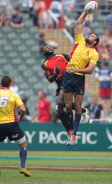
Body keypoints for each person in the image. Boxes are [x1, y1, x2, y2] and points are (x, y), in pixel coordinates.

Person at [0, 75, 31, 177]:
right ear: (10, 84)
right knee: (23, 144)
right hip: (12, 124)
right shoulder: (14, 95)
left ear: (0, 84)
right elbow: (23, 109)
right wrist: (20, 118)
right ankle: (22, 166)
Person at [63, 9, 99, 145]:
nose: (89, 35)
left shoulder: (94, 53)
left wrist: (75, 69)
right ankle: (70, 131)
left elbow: (90, 70)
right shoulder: (80, 41)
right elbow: (79, 22)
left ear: (95, 42)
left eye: (92, 36)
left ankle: (74, 135)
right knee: (67, 106)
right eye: (90, 34)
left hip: (78, 78)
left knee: (77, 106)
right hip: (68, 76)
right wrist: (86, 12)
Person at [41, 44, 89, 139]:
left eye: (50, 46)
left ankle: (82, 111)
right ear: (43, 52)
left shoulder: (61, 56)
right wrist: (56, 73)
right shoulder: (44, 65)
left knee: (63, 102)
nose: (49, 47)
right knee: (58, 108)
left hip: (68, 80)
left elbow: (74, 59)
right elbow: (50, 79)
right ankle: (69, 132)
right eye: (46, 47)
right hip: (59, 84)